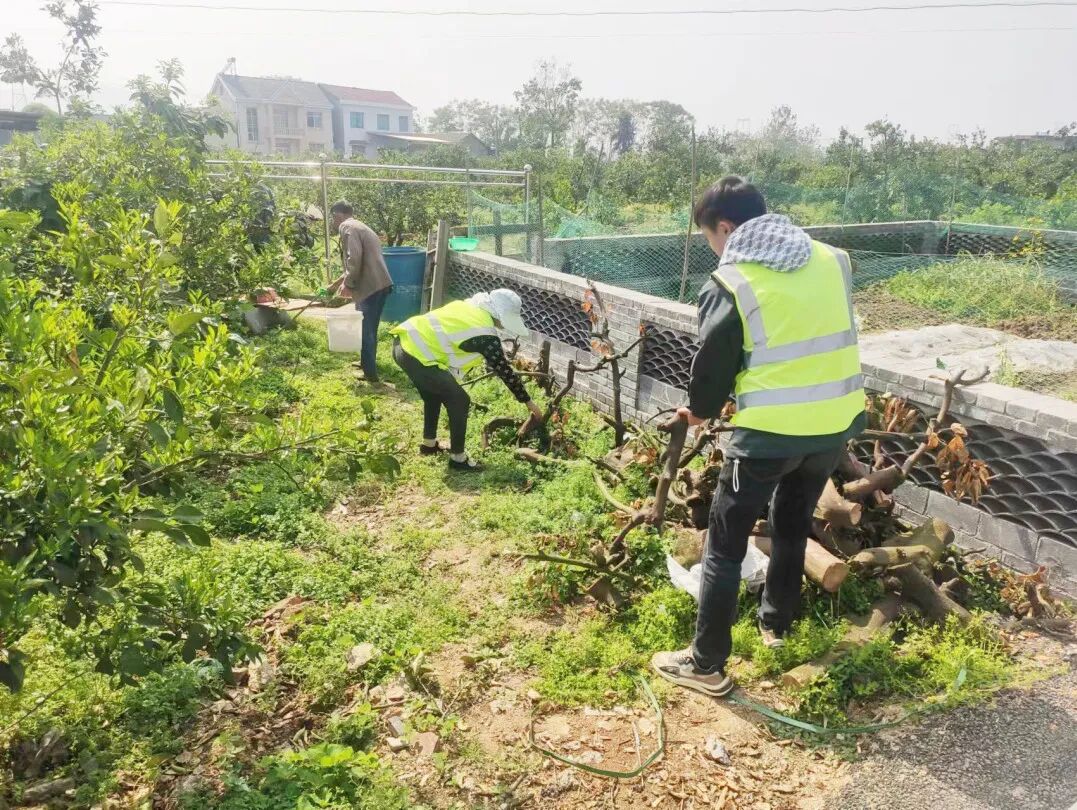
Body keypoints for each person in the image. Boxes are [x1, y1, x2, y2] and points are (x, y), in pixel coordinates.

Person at [652, 177, 866, 698]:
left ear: (725, 228)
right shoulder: (834, 259)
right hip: (833, 425)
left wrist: (699, 412)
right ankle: (776, 624)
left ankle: (706, 665)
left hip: (769, 434)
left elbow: (713, 365)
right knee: (791, 524)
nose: (714, 248)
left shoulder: (732, 282)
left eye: (710, 237)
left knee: (725, 544)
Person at [390, 289, 543, 472]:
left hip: (402, 345)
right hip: (416, 354)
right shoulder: (485, 333)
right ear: (499, 314)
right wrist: (529, 402)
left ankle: (429, 445)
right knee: (460, 400)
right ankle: (458, 459)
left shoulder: (470, 308)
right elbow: (504, 371)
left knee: (433, 395)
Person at [326, 201, 393, 382]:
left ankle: (370, 375)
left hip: (370, 287)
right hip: (379, 284)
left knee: (366, 330)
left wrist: (348, 284)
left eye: (333, 218)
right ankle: (366, 363)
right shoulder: (360, 226)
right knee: (368, 327)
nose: (333, 222)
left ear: (338, 215)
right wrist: (335, 285)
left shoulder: (347, 227)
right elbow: (357, 261)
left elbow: (353, 258)